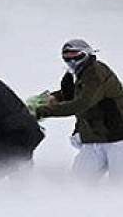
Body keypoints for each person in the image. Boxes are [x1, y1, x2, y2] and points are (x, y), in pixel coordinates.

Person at [34, 39, 123, 181]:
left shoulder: (96, 73)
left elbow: (82, 103)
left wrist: (43, 111)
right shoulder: (75, 74)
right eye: (67, 58)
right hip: (94, 140)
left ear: (87, 54)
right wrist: (51, 98)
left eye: (76, 56)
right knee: (78, 185)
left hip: (118, 141)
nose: (72, 61)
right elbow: (72, 94)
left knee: (118, 189)